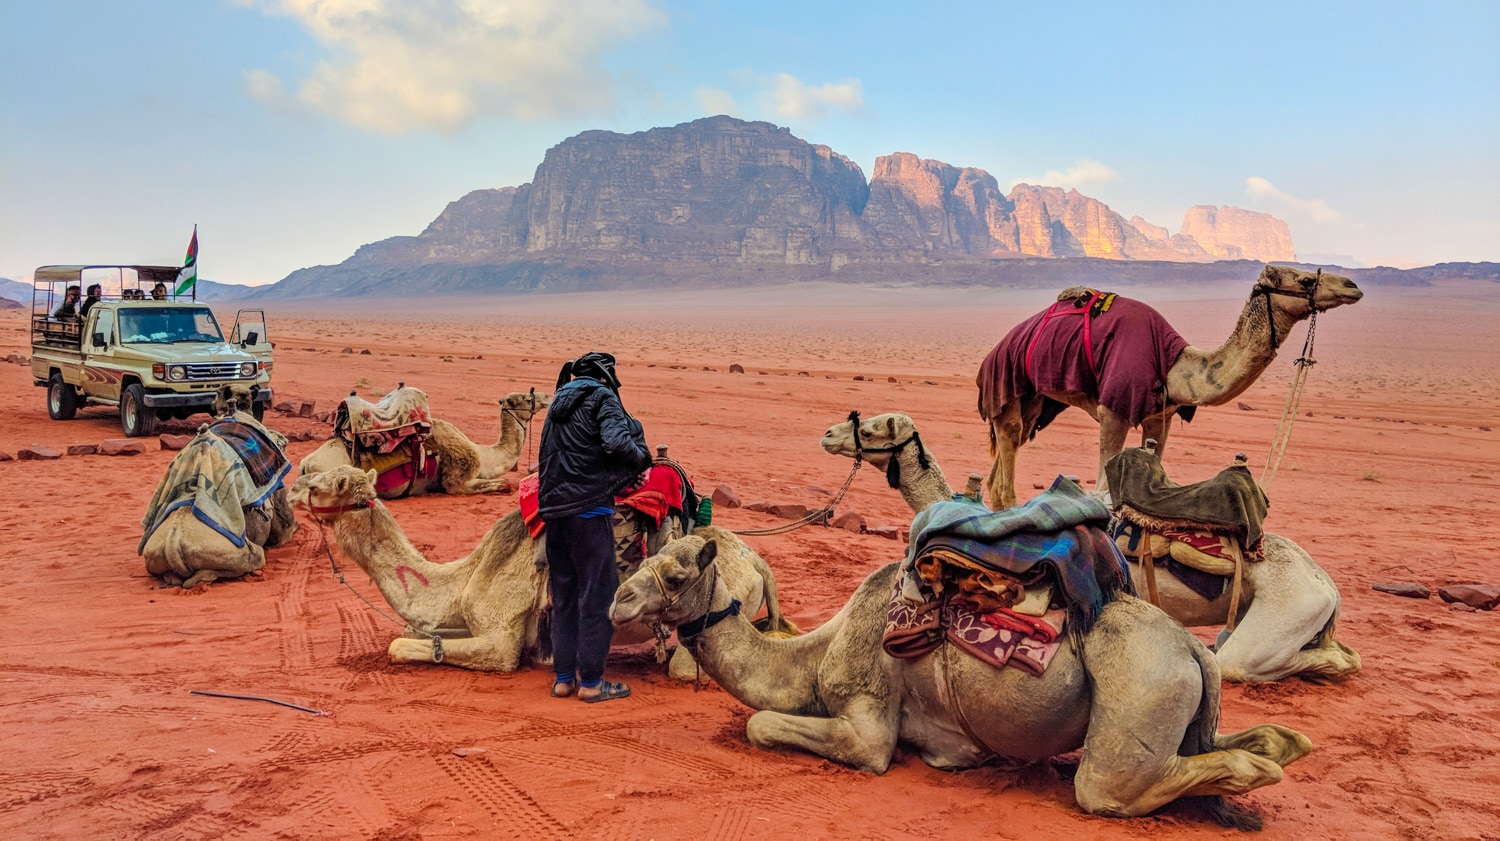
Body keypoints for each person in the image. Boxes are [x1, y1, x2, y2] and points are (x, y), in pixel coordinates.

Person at [536, 351, 651, 703]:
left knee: (565, 596)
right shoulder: (602, 398)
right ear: (607, 375)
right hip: (589, 510)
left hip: (554, 513)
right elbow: (617, 443)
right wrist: (642, 458)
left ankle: (563, 679)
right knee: (597, 597)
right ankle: (592, 683)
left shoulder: (558, 403)